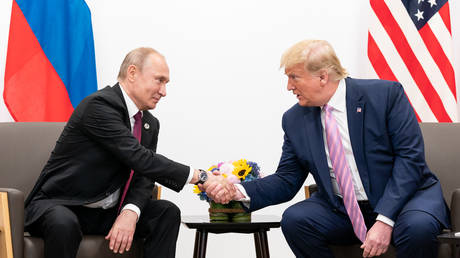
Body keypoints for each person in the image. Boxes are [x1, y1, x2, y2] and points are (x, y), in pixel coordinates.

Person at [205, 40, 450, 258]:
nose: (289, 86)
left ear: (322, 77)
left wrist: (385, 219)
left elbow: (410, 159)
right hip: (344, 208)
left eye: (294, 77)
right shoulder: (294, 119)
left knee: (417, 228)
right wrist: (237, 191)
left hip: (405, 200)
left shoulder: (385, 95)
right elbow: (287, 179)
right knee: (297, 221)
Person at [25, 47, 232, 258]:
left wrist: (130, 211)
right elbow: (140, 158)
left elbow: (144, 176)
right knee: (64, 223)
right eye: (159, 80)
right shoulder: (98, 106)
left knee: (166, 213)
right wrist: (200, 176)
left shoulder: (149, 124)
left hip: (104, 213)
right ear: (132, 73)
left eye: (166, 83)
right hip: (63, 204)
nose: (163, 91)